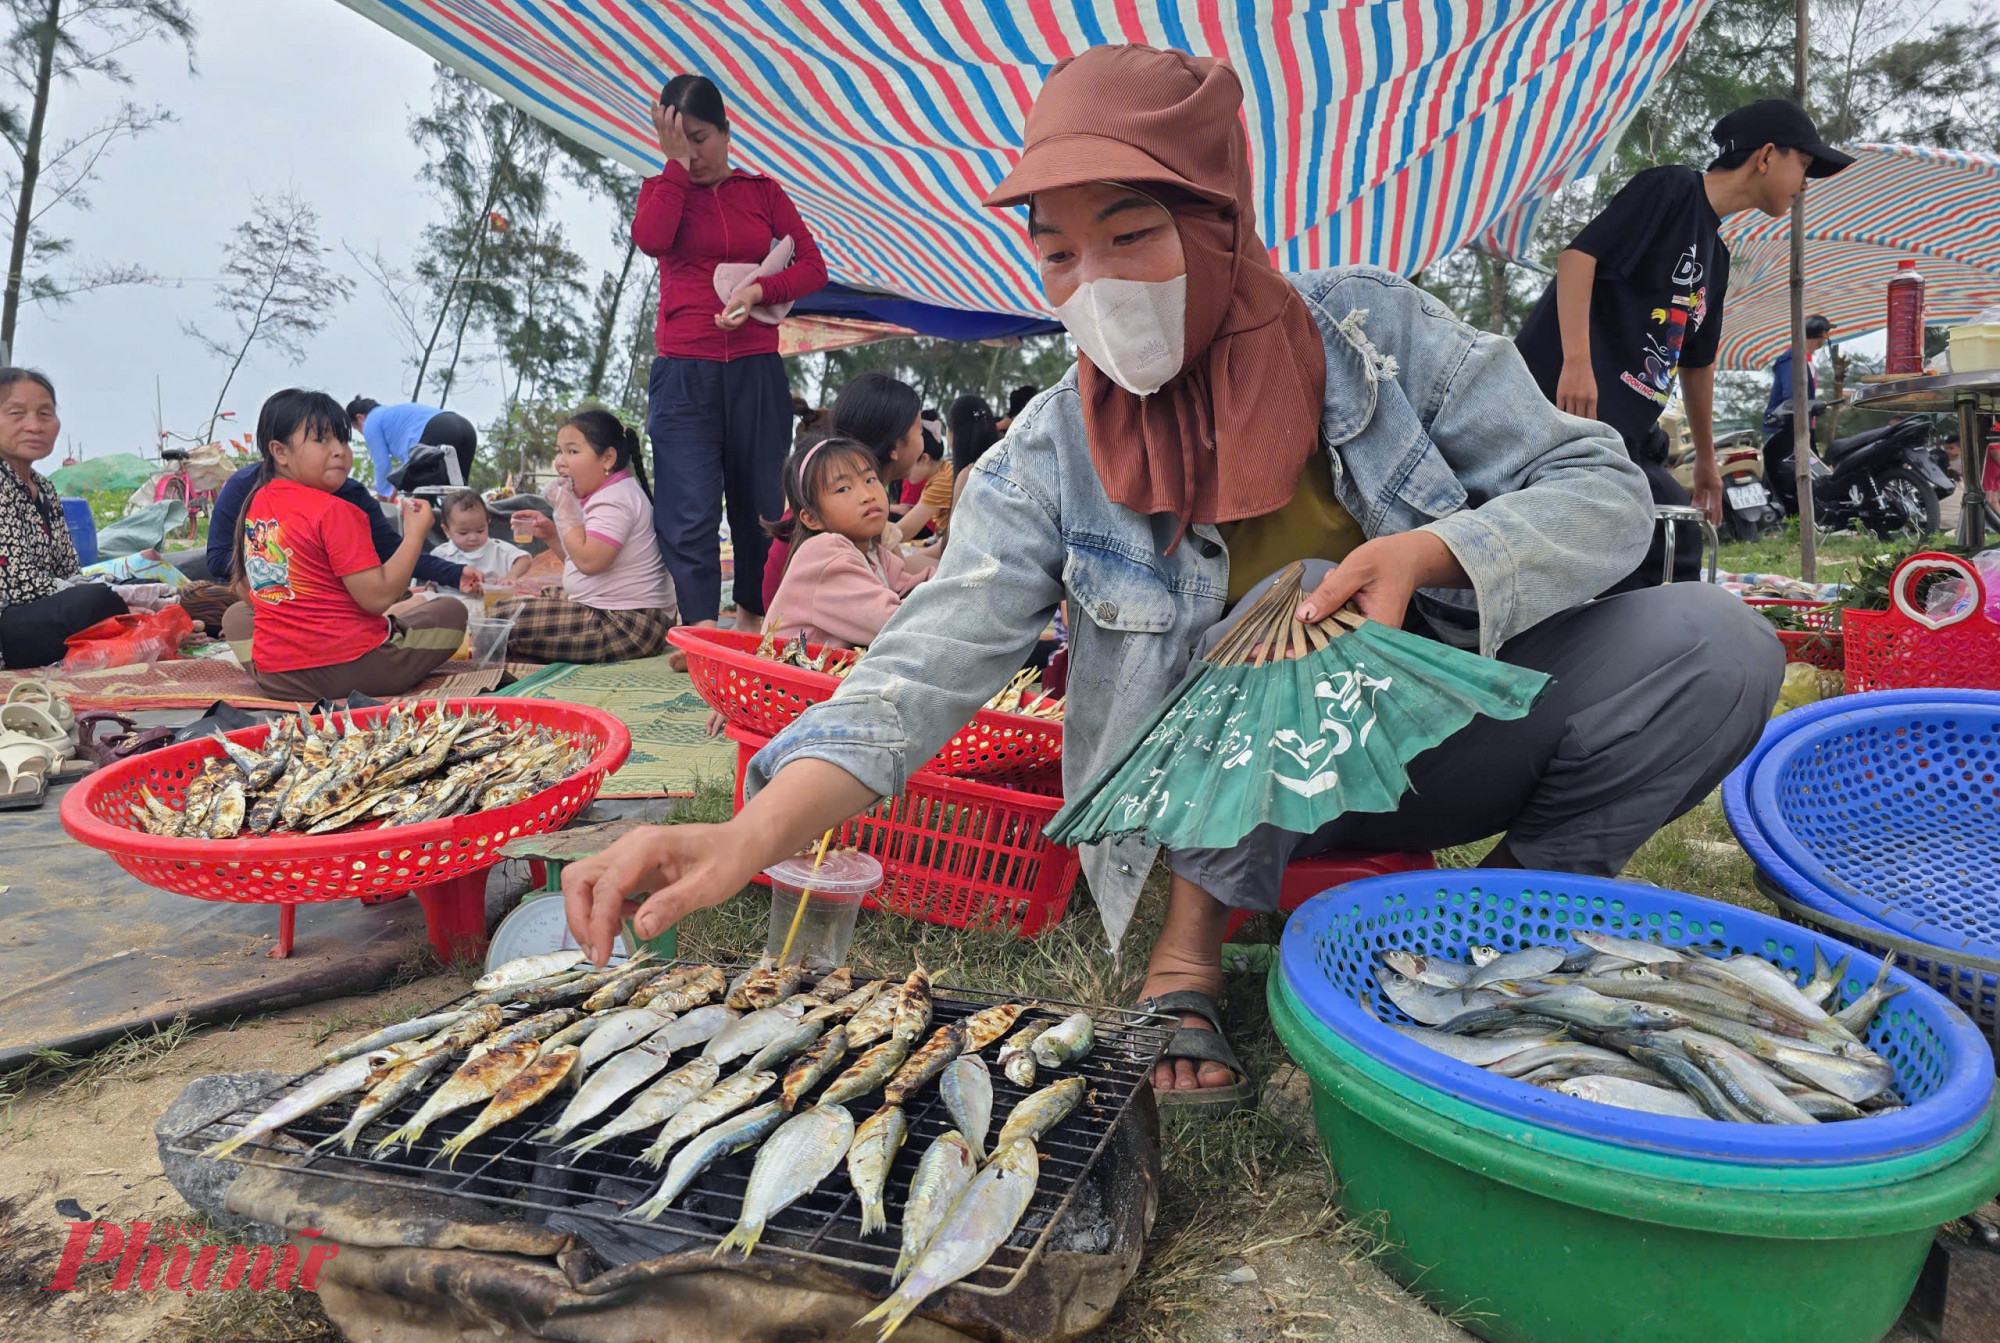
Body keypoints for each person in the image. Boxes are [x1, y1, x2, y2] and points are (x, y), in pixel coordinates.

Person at [561, 45, 1782, 1114]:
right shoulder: (1048, 449)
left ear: (1218, 223)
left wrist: (1435, 550)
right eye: (1057, 253)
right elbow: (924, 659)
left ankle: (1497, 927)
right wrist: (745, 830)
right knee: (1290, 592)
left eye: (1131, 236)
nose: (1095, 283)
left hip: (1437, 728)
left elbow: (1602, 489)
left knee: (1715, 647)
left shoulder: (1372, 335)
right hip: (1216, 797)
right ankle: (1183, 953)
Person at [1515, 99, 1853, 525]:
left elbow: (1698, 363)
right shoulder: (1672, 189)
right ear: (1767, 156)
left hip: (1622, 434)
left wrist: (1708, 462)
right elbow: (1578, 259)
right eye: (1804, 164)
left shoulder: (1718, 256)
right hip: (1557, 412)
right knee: (1640, 545)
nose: (1805, 183)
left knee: (1677, 537)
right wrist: (1577, 363)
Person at [634, 73, 828, 651]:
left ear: (726, 128)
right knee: (687, 507)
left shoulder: (762, 193)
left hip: (756, 371)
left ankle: (751, 620)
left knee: (762, 502)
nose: (692, 154)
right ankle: (698, 629)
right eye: (678, 141)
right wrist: (671, 169)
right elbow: (652, 238)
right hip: (683, 372)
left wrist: (757, 293)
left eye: (699, 138)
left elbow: (813, 267)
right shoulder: (662, 189)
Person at [219, 391, 466, 701]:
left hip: (278, 677)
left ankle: (288, 669)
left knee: (236, 617)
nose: (340, 452)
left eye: (344, 440)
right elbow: (376, 598)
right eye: (322, 440)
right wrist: (415, 535)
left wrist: (297, 630)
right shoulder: (336, 511)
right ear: (280, 452)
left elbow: (246, 590)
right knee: (452, 611)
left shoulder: (257, 504)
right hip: (357, 669)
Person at [503, 409, 678, 663]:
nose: (560, 462)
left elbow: (590, 563)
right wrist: (553, 535)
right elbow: (582, 562)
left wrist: (564, 511)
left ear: (607, 458)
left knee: (503, 617)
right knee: (543, 596)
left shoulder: (614, 500)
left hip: (627, 625)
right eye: (559, 450)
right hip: (623, 614)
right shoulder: (609, 492)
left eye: (572, 451)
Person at [760, 372, 930, 613]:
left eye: (870, 479)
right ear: (894, 447)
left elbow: (902, 578)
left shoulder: (842, 509)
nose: (868, 494)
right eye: (920, 430)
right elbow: (889, 617)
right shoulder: (832, 545)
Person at [0, 368, 127, 668]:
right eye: (17, 413)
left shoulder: (43, 487)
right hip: (7, 622)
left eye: (45, 414)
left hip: (38, 611)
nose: (34, 425)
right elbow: (17, 586)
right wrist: (106, 596)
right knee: (94, 603)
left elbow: (68, 570)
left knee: (117, 594)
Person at [763, 438, 935, 649]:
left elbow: (912, 586)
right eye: (843, 489)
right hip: (791, 680)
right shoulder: (824, 554)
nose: (867, 495)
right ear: (811, 519)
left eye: (870, 479)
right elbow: (897, 623)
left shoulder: (873, 553)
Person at [344, 398, 480, 499]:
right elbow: (410, 466)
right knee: (459, 497)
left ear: (360, 418)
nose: (362, 433)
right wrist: (398, 486)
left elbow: (382, 464)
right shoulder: (392, 415)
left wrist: (381, 498)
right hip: (465, 427)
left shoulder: (371, 422)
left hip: (437, 430)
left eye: (357, 429)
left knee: (421, 501)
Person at [432, 490, 530, 585]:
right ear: (447, 531)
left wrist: (511, 576)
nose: (473, 537)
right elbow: (429, 579)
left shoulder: (498, 549)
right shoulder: (440, 555)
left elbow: (524, 559)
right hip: (450, 599)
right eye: (463, 533)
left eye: (480, 530)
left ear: (488, 524)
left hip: (491, 599)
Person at [1765, 314, 1832, 434]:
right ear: (1823, 333)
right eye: (1827, 332)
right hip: (1785, 431)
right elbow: (1792, 398)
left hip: (1802, 427)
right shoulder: (1793, 360)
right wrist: (1813, 406)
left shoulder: (1805, 360)